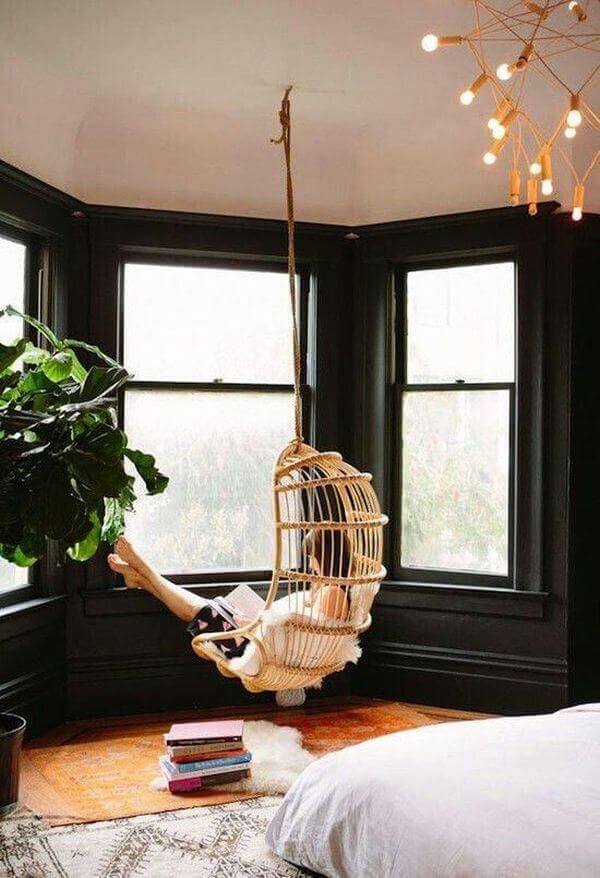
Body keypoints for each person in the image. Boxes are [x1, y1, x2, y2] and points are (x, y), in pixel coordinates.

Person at [108, 533, 351, 661]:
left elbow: (305, 636)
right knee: (209, 607)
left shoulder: (332, 593)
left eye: (313, 555)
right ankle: (142, 579)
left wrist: (255, 626)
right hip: (257, 636)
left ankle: (145, 569)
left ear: (327, 555)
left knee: (200, 609)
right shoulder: (328, 589)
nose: (310, 562)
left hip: (260, 647)